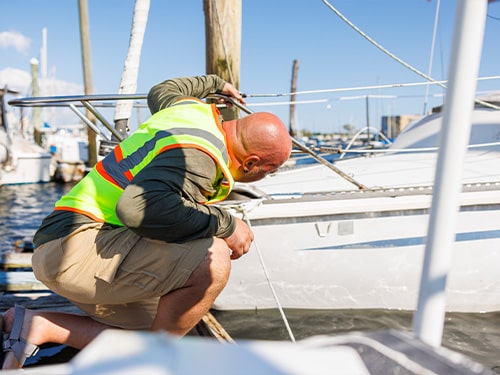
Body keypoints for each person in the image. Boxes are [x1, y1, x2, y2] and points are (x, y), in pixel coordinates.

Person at [1, 75, 292, 369]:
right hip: (77, 248)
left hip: (64, 243)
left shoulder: (191, 112)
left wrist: (215, 83)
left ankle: (40, 326)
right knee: (213, 259)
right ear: (251, 162)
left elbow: (163, 91)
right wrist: (227, 225)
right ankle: (154, 363)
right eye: (268, 171)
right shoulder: (200, 159)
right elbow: (138, 207)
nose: (263, 176)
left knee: (167, 324)